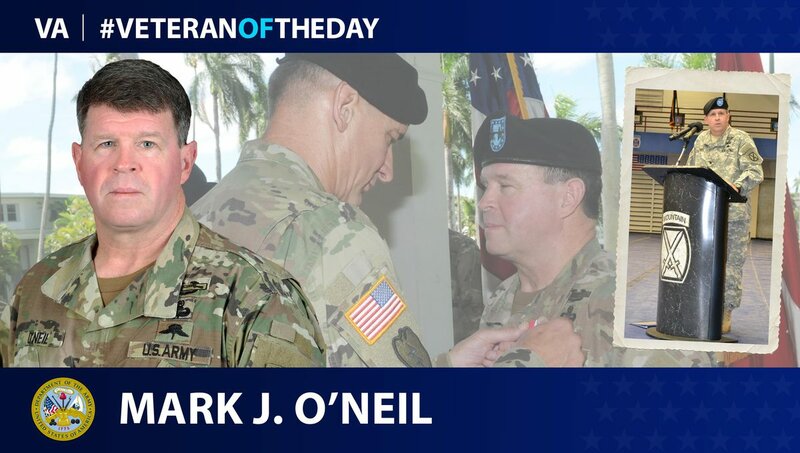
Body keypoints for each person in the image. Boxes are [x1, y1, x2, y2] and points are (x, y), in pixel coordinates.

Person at [192, 53, 583, 367]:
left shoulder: (192, 217)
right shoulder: (333, 234)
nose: (388, 170)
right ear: (345, 106)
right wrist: (533, 363)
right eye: (390, 138)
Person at [0, 59, 325, 368]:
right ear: (79, 161)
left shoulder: (258, 298)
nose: (124, 163)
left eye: (147, 144)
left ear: (185, 162)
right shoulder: (36, 289)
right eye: (106, 144)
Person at [476, 113, 720, 367]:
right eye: (485, 186)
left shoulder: (630, 308)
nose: (484, 203)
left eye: (505, 186)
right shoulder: (501, 297)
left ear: (568, 197)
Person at [686, 96, 764, 333]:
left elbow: (755, 171)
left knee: (731, 264)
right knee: (702, 260)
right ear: (705, 119)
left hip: (733, 215)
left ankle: (725, 311)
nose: (718, 118)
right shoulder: (700, 140)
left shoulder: (741, 139)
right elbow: (691, 170)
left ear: (728, 116)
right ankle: (702, 306)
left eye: (722, 113)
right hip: (705, 213)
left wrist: (737, 185)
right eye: (713, 115)